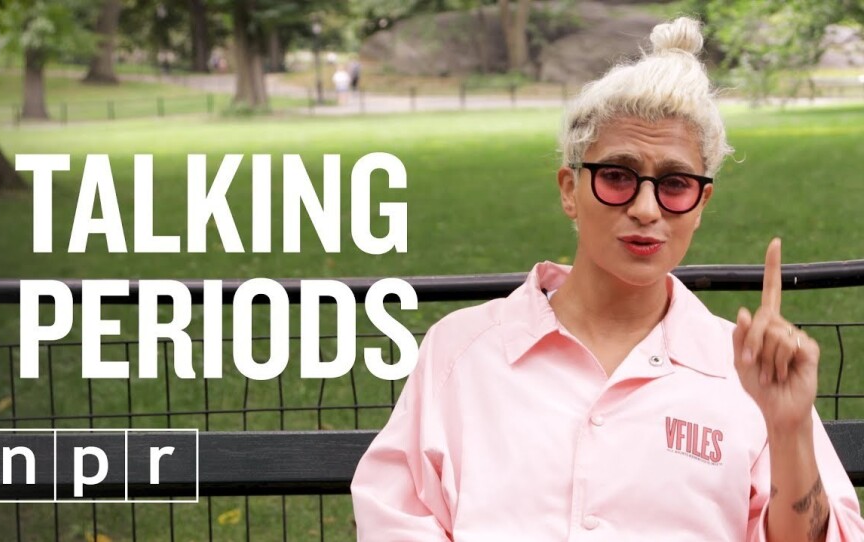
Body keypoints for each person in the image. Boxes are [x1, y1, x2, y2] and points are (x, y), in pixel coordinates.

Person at [350, 17, 864, 541]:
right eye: (617, 176)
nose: (646, 208)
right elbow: (396, 520)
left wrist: (789, 429)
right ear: (569, 189)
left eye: (675, 183)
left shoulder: (745, 371)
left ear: (701, 203)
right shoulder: (461, 352)